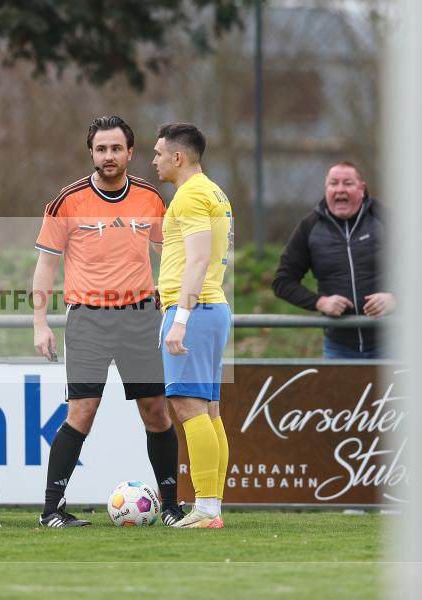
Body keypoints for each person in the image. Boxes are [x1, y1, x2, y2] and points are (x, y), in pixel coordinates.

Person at [33, 115, 185, 528]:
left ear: (130, 153)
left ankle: (171, 507)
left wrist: (175, 309)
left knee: (156, 411)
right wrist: (40, 323)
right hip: (88, 321)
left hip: (141, 319)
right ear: (91, 153)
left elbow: (169, 257)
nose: (109, 156)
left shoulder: (152, 199)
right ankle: (51, 511)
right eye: (101, 149)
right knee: (81, 411)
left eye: (116, 148)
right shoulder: (68, 201)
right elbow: (46, 264)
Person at [152, 123, 233, 529]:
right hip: (211, 308)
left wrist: (179, 319)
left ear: (177, 157)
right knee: (210, 411)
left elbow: (198, 260)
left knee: (187, 407)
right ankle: (211, 505)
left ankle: (206, 509)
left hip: (196, 311)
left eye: (158, 153)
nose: (154, 161)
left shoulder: (190, 196)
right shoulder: (213, 190)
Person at [272, 161, 395, 359]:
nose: (340, 189)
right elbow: (282, 282)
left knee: (394, 392)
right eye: (333, 183)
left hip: (391, 344)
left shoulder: (386, 219)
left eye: (347, 183)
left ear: (362, 189)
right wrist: (320, 302)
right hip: (339, 348)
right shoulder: (310, 227)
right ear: (326, 189)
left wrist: (395, 299)